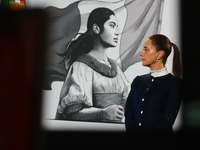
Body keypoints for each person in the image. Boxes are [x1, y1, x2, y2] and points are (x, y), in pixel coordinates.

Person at [55, 7, 130, 123]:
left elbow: (128, 100)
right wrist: (102, 113)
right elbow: (72, 112)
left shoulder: (115, 68)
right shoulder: (81, 66)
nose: (117, 32)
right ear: (96, 28)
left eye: (117, 26)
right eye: (112, 25)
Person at [124, 34, 183, 133]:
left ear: (159, 54)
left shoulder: (174, 84)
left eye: (146, 49)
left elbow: (167, 120)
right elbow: (129, 113)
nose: (141, 53)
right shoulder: (138, 81)